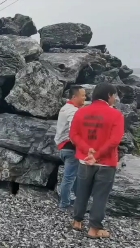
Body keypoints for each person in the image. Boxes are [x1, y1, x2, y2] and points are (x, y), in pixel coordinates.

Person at [69, 83, 124, 239]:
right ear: (108, 95)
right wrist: (97, 155)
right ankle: (94, 228)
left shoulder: (81, 112)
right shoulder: (116, 115)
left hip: (85, 161)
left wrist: (88, 150)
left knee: (82, 192)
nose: (115, 98)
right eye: (114, 95)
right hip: (106, 163)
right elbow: (114, 141)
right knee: (100, 196)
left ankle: (77, 221)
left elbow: (74, 135)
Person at [54, 85, 86, 211]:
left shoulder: (65, 108)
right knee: (69, 177)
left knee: (75, 175)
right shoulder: (72, 111)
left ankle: (74, 198)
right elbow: (75, 130)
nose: (85, 97)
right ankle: (64, 203)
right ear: (74, 97)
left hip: (63, 147)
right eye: (83, 95)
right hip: (71, 148)